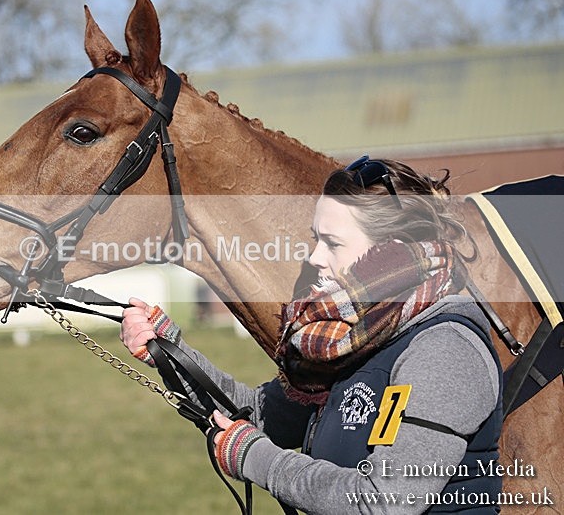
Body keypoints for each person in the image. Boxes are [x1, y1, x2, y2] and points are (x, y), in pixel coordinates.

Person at [121, 157, 503, 514]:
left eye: (333, 244)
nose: (316, 258)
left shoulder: (445, 350)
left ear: (393, 253)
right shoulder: (353, 339)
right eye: (316, 239)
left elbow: (386, 501)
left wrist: (260, 461)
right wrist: (170, 350)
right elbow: (259, 415)